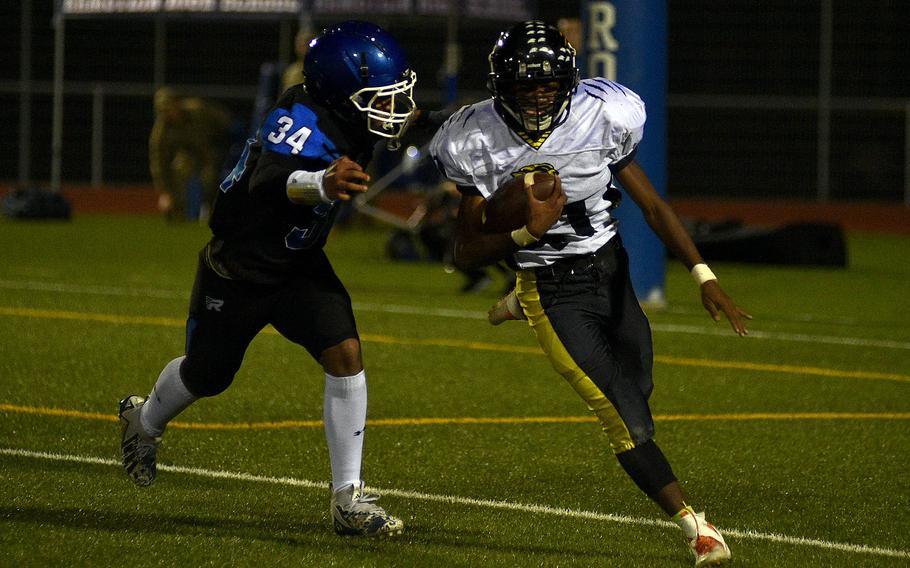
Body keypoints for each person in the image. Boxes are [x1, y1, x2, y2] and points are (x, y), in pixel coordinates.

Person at [429, 21, 750, 566]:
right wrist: (527, 232)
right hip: (552, 288)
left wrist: (703, 274)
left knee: (639, 385)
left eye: (548, 85)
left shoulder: (603, 113)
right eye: (526, 85)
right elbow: (462, 253)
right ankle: (694, 525)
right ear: (500, 84)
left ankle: (512, 305)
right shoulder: (473, 136)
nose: (537, 95)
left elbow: (652, 206)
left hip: (611, 269)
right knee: (625, 419)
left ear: (569, 82)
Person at [120, 20, 418, 537]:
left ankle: (347, 499)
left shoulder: (350, 114)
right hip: (240, 266)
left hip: (297, 263)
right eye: (380, 98)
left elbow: (415, 119)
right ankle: (143, 422)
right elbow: (269, 180)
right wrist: (321, 182)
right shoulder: (299, 116)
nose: (391, 109)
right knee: (208, 376)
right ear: (342, 91)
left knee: (345, 351)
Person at [149, 87, 232, 221]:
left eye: (169, 107)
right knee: (179, 169)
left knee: (210, 177)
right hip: (188, 154)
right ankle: (179, 211)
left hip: (210, 148)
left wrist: (227, 138)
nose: (168, 113)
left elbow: (224, 120)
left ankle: (210, 209)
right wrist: (165, 193)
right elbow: (158, 161)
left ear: (177, 104)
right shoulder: (161, 130)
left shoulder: (198, 110)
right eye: (163, 110)